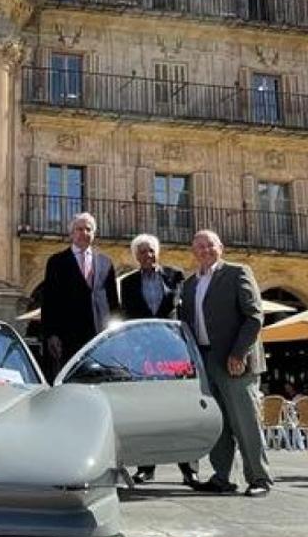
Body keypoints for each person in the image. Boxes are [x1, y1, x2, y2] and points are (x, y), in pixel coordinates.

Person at [178, 230, 272, 497]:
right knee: (218, 424)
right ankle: (223, 478)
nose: (205, 250)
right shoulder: (190, 285)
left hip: (235, 361)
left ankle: (259, 478)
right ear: (193, 251)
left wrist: (239, 353)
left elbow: (254, 316)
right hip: (206, 361)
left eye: (210, 245)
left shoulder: (237, 272)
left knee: (245, 422)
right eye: (200, 246)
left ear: (221, 247)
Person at [118, 235, 196, 487]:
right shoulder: (128, 283)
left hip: (173, 351)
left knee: (180, 409)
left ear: (158, 252)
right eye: (142, 252)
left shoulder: (175, 276)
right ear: (135, 256)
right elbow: (126, 317)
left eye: (151, 251)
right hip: (143, 354)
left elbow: (184, 311)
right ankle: (146, 467)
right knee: (146, 410)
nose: (147, 255)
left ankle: (189, 468)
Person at [40, 212, 119, 379]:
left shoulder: (105, 262)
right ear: (71, 233)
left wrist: (115, 334)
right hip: (68, 338)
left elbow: (113, 302)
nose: (84, 233)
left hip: (99, 338)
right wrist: (51, 334)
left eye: (88, 229)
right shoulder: (57, 262)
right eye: (79, 229)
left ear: (94, 233)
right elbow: (49, 302)